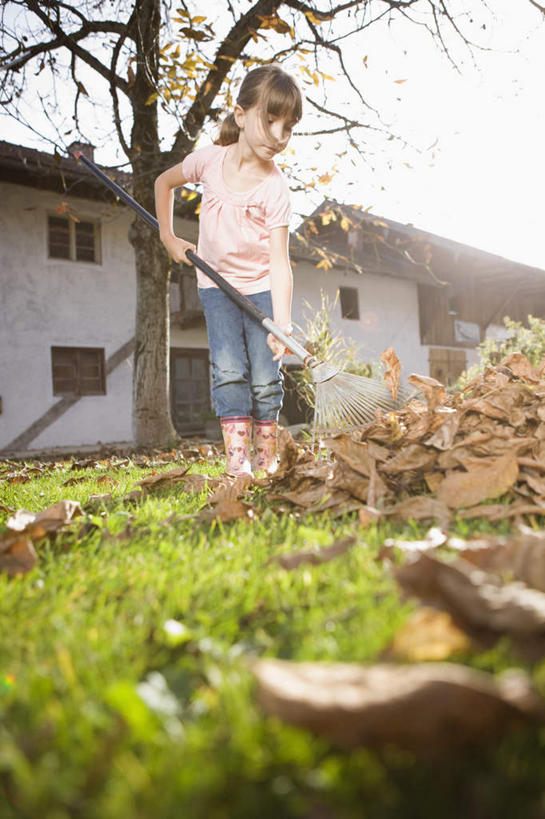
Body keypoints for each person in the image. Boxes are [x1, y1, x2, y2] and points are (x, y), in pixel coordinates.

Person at [155, 65, 302, 476]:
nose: (279, 135)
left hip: (259, 290)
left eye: (288, 126)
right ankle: (238, 465)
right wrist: (169, 237)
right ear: (240, 115)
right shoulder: (208, 162)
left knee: (264, 378)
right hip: (215, 287)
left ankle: (265, 459)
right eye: (269, 120)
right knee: (230, 370)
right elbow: (164, 183)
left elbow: (279, 259)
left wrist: (283, 323)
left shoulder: (275, 188)